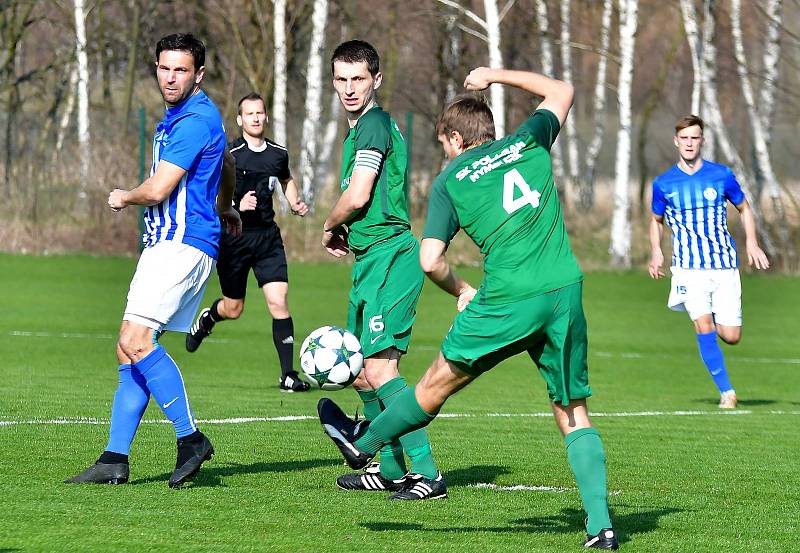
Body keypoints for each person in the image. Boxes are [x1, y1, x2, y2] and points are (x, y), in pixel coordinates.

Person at [318, 67, 620, 549]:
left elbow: (430, 259)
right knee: (572, 411)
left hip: (507, 298)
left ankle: (365, 443)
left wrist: (460, 289)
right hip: (565, 290)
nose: (445, 152)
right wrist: (493, 77)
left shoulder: (450, 180)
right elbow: (563, 89)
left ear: (456, 139)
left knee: (435, 383)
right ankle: (601, 527)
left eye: (443, 144)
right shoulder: (530, 141)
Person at [66, 33, 241, 488]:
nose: (170, 77)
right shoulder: (188, 117)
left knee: (137, 340)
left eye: (181, 69)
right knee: (127, 348)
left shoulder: (193, 121)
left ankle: (190, 439)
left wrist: (125, 196)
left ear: (198, 74)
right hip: (172, 244)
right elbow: (223, 163)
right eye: (165, 68)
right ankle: (114, 458)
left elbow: (159, 189)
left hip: (181, 246)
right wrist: (226, 205)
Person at [320, 40, 445, 500]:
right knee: (359, 371)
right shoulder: (359, 129)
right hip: (369, 258)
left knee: (380, 366)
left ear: (377, 79)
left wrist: (329, 225)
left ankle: (428, 474)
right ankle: (391, 470)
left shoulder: (372, 124)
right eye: (341, 79)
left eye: (358, 78)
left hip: (391, 256)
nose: (350, 88)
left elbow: (358, 194)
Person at [186, 92, 311, 392]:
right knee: (234, 309)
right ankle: (208, 318)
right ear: (240, 120)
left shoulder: (278, 154)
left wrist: (294, 201)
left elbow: (286, 178)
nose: (256, 118)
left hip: (267, 238)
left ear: (266, 117)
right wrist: (235, 205)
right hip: (235, 237)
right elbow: (212, 192)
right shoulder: (230, 154)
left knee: (279, 301)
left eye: (260, 113)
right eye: (249, 114)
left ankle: (288, 375)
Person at [648, 115, 769, 409]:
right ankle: (727, 392)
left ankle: (710, 315)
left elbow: (745, 208)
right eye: (684, 138)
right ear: (676, 141)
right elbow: (656, 220)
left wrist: (752, 242)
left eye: (695, 138)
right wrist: (656, 250)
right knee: (702, 326)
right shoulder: (664, 183)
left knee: (731, 336)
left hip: (724, 266)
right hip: (688, 270)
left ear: (702, 141)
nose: (689, 143)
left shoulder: (721, 175)